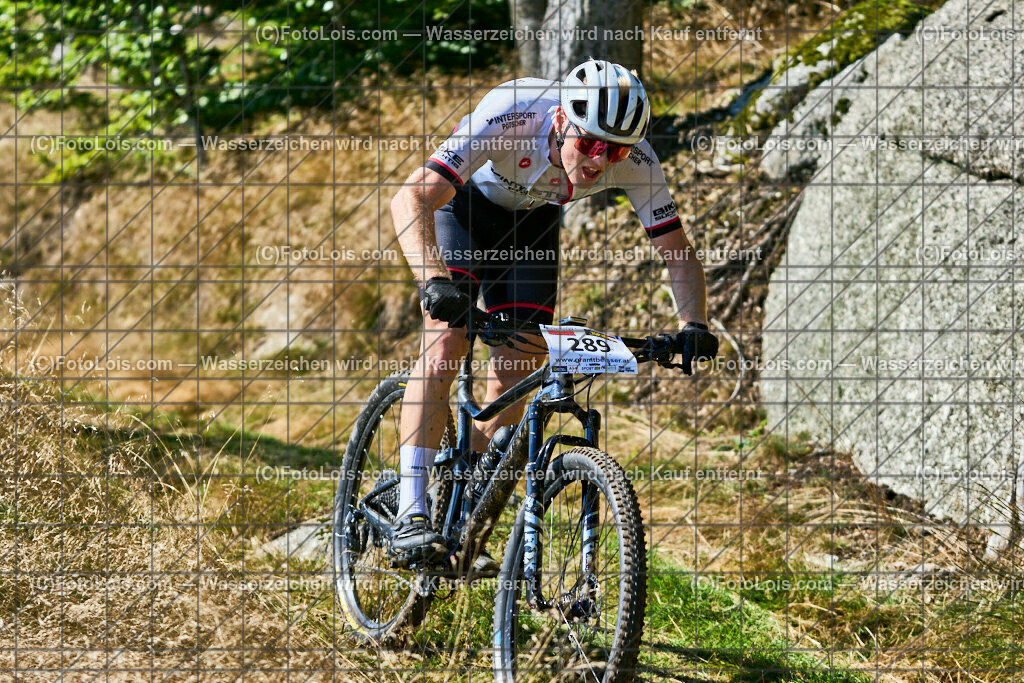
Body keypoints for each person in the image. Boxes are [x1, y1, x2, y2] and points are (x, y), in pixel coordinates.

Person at [388, 59, 719, 568]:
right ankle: (412, 510)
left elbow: (676, 248)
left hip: (532, 228)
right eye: (590, 144)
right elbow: (411, 196)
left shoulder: (637, 160)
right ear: (562, 120)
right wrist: (433, 280)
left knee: (517, 369)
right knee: (447, 342)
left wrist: (693, 324)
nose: (599, 161)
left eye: (616, 151)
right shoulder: (513, 112)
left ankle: (457, 510)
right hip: (464, 208)